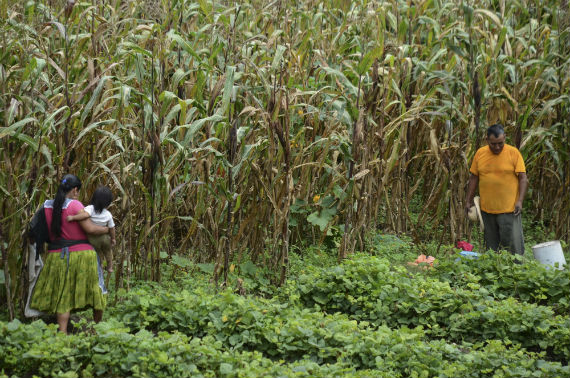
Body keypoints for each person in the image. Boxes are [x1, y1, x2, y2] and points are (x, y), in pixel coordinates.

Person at [29, 174, 110, 333]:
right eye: (77, 190)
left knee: (63, 295)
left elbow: (34, 230)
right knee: (97, 291)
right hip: (81, 256)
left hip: (56, 256)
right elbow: (90, 229)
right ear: (74, 190)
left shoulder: (47, 206)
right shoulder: (74, 205)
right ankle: (96, 330)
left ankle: (62, 333)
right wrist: (109, 229)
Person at [465, 123, 528, 255]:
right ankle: (494, 272)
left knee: (513, 249)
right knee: (492, 249)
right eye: (493, 144)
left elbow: (523, 178)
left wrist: (520, 201)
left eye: (500, 143)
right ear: (487, 139)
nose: (497, 147)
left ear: (504, 137)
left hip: (509, 210)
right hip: (487, 211)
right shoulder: (480, 154)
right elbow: (473, 178)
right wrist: (468, 201)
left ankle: (516, 273)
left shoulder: (513, 153)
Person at [67, 186, 116, 273]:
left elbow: (84, 215)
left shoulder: (90, 209)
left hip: (93, 238)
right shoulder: (108, 214)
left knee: (97, 253)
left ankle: (99, 266)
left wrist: (73, 217)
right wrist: (113, 238)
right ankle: (110, 267)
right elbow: (112, 228)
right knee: (108, 252)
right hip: (104, 237)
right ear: (108, 203)